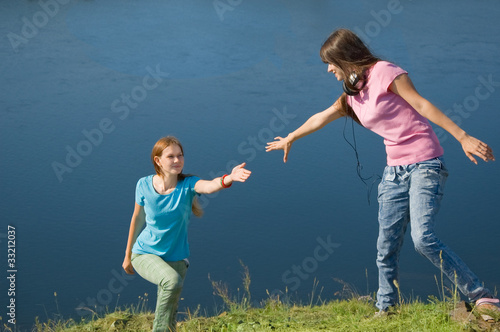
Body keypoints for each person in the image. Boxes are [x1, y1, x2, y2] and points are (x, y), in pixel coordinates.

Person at [266, 28, 499, 319]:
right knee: (385, 246)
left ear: (345, 58)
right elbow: (321, 117)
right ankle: (385, 308)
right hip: (394, 172)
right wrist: (291, 137)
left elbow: (421, 104)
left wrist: (462, 136)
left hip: (425, 162)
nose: (328, 70)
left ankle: (482, 296)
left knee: (423, 238)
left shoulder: (386, 72)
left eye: (331, 63)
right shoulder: (352, 94)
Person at [122, 136, 251, 331]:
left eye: (180, 155)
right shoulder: (143, 185)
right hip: (145, 252)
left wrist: (229, 178)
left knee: (171, 313)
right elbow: (137, 219)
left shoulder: (188, 184)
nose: (177, 160)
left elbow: (209, 186)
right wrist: (127, 255)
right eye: (171, 156)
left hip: (177, 257)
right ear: (158, 161)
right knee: (171, 282)